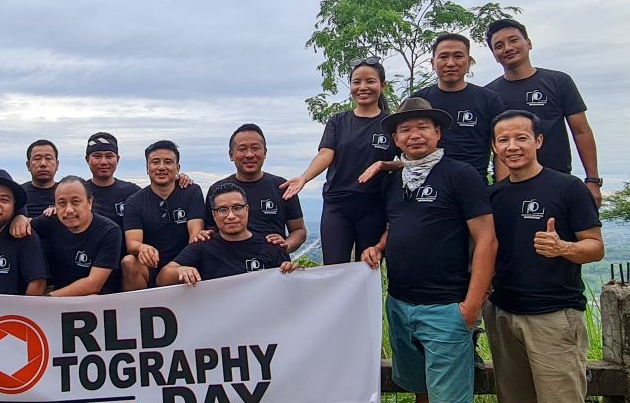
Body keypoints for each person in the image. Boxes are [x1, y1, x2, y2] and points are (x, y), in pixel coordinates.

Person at [360, 96, 496, 403]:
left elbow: (486, 239)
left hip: (446, 308)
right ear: (396, 139)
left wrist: (472, 306)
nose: (413, 135)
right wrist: (379, 246)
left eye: (422, 127)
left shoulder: (461, 175)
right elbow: (400, 225)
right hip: (401, 304)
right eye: (405, 129)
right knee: (423, 396)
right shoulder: (397, 181)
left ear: (438, 133)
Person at [484, 109, 603, 403]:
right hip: (505, 313)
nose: (512, 146)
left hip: (554, 316)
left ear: (538, 140)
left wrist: (564, 247)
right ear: (494, 147)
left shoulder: (566, 188)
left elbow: (595, 245)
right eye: (503, 140)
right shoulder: (494, 195)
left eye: (520, 137)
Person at [282, 56, 396, 263]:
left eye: (370, 81)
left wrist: (384, 164)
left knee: (368, 266)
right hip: (337, 205)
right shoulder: (338, 121)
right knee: (333, 267)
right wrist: (304, 178)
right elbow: (326, 154)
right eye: (356, 82)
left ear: (383, 85)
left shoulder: (391, 125)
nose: (363, 87)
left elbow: (408, 161)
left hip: (374, 206)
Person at [484, 19, 602, 205]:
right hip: (511, 185)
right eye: (499, 46)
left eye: (513, 40)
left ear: (528, 43)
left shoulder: (558, 81)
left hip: (558, 180)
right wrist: (504, 189)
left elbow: (581, 131)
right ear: (494, 55)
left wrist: (592, 180)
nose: (508, 48)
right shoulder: (489, 94)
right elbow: (496, 146)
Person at [158, 183, 299, 285]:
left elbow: (289, 288)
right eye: (223, 210)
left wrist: (295, 272)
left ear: (247, 210)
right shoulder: (202, 246)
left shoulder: (272, 247)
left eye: (237, 208)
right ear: (214, 214)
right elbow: (162, 278)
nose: (231, 216)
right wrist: (181, 271)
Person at [411, 34, 507, 182]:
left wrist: (502, 187)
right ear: (433, 63)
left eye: (458, 56)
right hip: (428, 184)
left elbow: (502, 147)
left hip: (474, 183)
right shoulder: (418, 100)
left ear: (469, 62)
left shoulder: (488, 99)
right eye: (443, 57)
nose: (450, 63)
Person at [202, 124, 306, 253]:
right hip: (229, 261)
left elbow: (298, 230)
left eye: (255, 148)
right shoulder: (217, 190)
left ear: (265, 152)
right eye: (242, 149)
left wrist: (284, 247)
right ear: (231, 155)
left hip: (272, 262)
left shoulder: (282, 187)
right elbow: (210, 229)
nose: (249, 155)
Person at [121, 140, 206, 290]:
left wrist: (179, 265)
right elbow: (132, 242)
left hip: (183, 263)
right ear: (147, 168)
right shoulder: (134, 201)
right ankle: (139, 304)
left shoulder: (192, 191)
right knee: (128, 262)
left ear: (177, 168)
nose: (161, 167)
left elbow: (195, 234)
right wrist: (141, 248)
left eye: (168, 162)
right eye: (155, 162)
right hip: (151, 266)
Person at [29, 176, 122, 296]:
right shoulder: (49, 221)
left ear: (89, 202)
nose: (69, 210)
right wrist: (19, 218)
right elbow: (25, 225)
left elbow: (94, 284)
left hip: (98, 298)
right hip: (57, 293)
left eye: (75, 202)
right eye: (62, 203)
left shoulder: (109, 231)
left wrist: (47, 299)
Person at [85, 132, 140, 227]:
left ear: (117, 159)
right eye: (97, 156)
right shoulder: (79, 193)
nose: (103, 162)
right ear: (87, 159)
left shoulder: (133, 193)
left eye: (109, 156)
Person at [21, 139, 60, 217]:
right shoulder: (19, 194)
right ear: (28, 165)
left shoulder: (66, 193)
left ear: (57, 164)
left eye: (48, 158)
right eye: (37, 159)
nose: (43, 164)